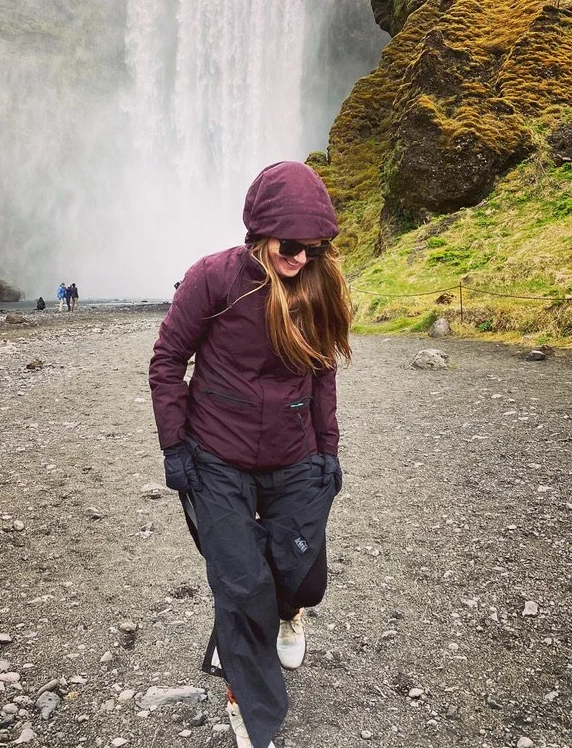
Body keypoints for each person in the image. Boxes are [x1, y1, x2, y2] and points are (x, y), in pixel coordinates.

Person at [149, 162, 352, 748]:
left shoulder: (316, 283)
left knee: (301, 573)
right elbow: (167, 363)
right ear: (260, 233)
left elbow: (323, 374)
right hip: (216, 456)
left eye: (315, 248)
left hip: (294, 454)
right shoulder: (211, 279)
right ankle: (252, 714)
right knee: (241, 584)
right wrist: (175, 447)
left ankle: (293, 611)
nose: (301, 257)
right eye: (291, 246)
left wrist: (328, 453)